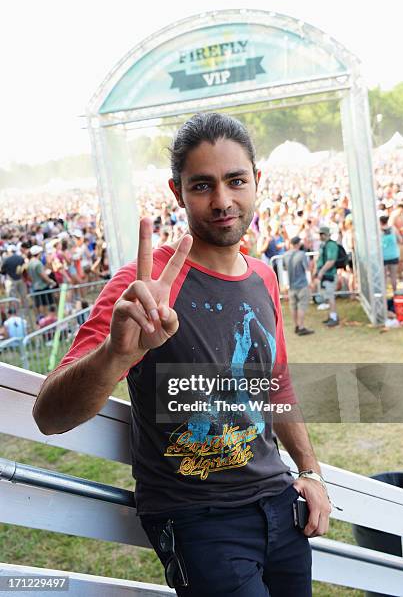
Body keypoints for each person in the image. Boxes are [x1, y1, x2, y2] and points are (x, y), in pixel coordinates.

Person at [33, 113, 331, 597]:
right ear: (177, 192)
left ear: (257, 181)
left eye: (236, 181)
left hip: (280, 506)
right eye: (202, 186)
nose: (222, 201)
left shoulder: (264, 277)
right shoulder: (142, 288)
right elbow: (49, 415)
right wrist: (115, 353)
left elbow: (275, 382)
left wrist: (310, 472)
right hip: (199, 519)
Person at [283, 237, 314, 336]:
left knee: (293, 306)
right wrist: (310, 282)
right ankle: (301, 326)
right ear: (298, 244)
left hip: (291, 285)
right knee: (301, 306)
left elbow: (284, 271)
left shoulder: (285, 255)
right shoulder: (301, 255)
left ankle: (296, 325)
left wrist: (286, 285)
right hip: (301, 284)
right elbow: (307, 269)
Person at [315, 227, 339, 327]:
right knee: (327, 297)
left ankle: (334, 317)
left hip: (329, 275)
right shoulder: (323, 245)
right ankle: (330, 316)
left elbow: (331, 261)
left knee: (330, 297)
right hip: (325, 274)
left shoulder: (331, 245)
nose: (321, 236)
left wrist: (321, 271)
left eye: (322, 234)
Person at [27, 245, 57, 315]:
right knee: (46, 304)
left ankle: (43, 317)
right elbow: (43, 275)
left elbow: (30, 277)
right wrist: (51, 282)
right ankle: (48, 317)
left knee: (40, 304)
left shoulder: (30, 263)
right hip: (42, 286)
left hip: (35, 286)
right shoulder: (38, 263)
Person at [379, 215, 402, 293]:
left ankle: (384, 295)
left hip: (383, 257)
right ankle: (395, 293)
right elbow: (400, 240)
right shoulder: (393, 229)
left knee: (384, 277)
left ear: (380, 222)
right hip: (393, 255)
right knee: (393, 276)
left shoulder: (378, 231)